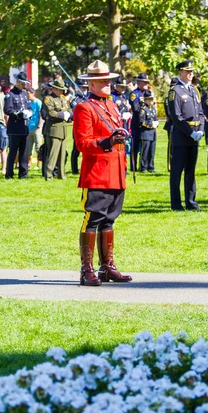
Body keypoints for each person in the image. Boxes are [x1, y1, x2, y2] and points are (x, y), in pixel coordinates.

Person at [73, 59, 132, 286]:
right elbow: (82, 143)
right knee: (93, 219)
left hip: (116, 171)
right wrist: (107, 142)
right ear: (92, 84)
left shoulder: (112, 106)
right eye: (103, 80)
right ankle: (86, 269)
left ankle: (107, 267)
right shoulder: (84, 108)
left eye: (108, 80)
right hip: (97, 173)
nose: (108, 83)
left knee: (109, 220)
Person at [168, 59, 204, 211]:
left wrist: (201, 129)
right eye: (187, 72)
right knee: (177, 171)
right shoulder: (175, 91)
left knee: (191, 171)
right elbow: (176, 117)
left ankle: (191, 201)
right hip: (182, 136)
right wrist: (190, 133)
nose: (190, 74)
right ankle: (176, 203)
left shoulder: (194, 90)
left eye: (191, 72)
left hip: (195, 135)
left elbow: (201, 112)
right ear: (180, 72)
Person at [4, 71, 32, 179]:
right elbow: (7, 109)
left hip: (25, 127)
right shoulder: (10, 94)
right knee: (13, 152)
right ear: (17, 82)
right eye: (22, 83)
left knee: (24, 151)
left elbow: (28, 107)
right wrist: (19, 114)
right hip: (15, 127)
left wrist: (29, 112)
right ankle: (9, 173)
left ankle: (23, 173)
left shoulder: (25, 94)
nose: (24, 85)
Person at [42, 77, 71, 181]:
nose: (61, 91)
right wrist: (62, 115)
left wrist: (69, 114)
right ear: (54, 89)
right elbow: (50, 112)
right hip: (53, 129)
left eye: (62, 89)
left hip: (62, 129)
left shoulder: (63, 98)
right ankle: (49, 175)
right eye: (59, 89)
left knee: (62, 154)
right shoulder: (48, 99)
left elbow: (68, 108)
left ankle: (61, 174)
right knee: (53, 154)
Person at [129, 72, 150, 171]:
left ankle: (144, 166)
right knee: (135, 146)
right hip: (137, 123)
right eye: (144, 83)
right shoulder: (134, 94)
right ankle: (133, 166)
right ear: (139, 83)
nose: (146, 84)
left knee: (145, 146)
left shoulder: (147, 93)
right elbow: (136, 108)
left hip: (146, 124)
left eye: (147, 82)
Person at [70, 78, 88, 175]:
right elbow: (74, 114)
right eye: (82, 88)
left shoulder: (89, 98)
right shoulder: (75, 100)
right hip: (78, 127)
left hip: (88, 127)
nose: (84, 90)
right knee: (76, 149)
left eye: (85, 88)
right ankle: (74, 169)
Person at [139, 90, 158, 172]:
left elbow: (155, 119)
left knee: (152, 151)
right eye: (149, 99)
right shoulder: (143, 109)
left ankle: (151, 166)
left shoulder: (153, 109)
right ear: (145, 100)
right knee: (145, 151)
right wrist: (150, 125)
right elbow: (142, 121)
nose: (151, 101)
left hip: (153, 133)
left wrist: (156, 124)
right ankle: (143, 167)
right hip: (146, 132)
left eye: (151, 99)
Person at [27, 88, 43, 169]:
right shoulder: (28, 103)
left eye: (28, 93)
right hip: (29, 127)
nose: (27, 95)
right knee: (29, 147)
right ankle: (29, 164)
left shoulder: (38, 102)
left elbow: (41, 115)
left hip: (37, 128)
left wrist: (39, 125)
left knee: (38, 147)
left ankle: (39, 164)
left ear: (33, 93)